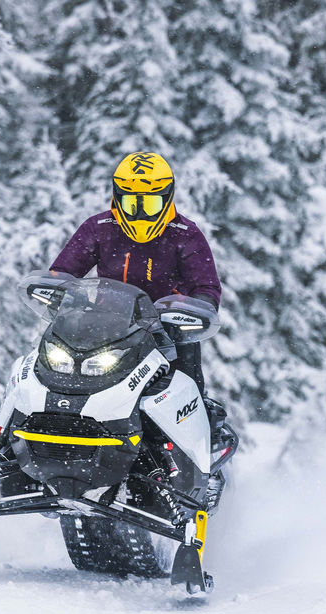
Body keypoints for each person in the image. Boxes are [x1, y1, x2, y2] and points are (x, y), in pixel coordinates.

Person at [49, 151, 226, 434]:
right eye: (132, 204)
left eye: (150, 203)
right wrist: (57, 291)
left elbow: (205, 285)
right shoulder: (99, 228)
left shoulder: (184, 234)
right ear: (118, 198)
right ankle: (15, 441)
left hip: (168, 333)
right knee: (50, 372)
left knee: (186, 390)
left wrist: (196, 308)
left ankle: (195, 448)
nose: (141, 213)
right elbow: (64, 271)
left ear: (167, 199)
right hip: (106, 330)